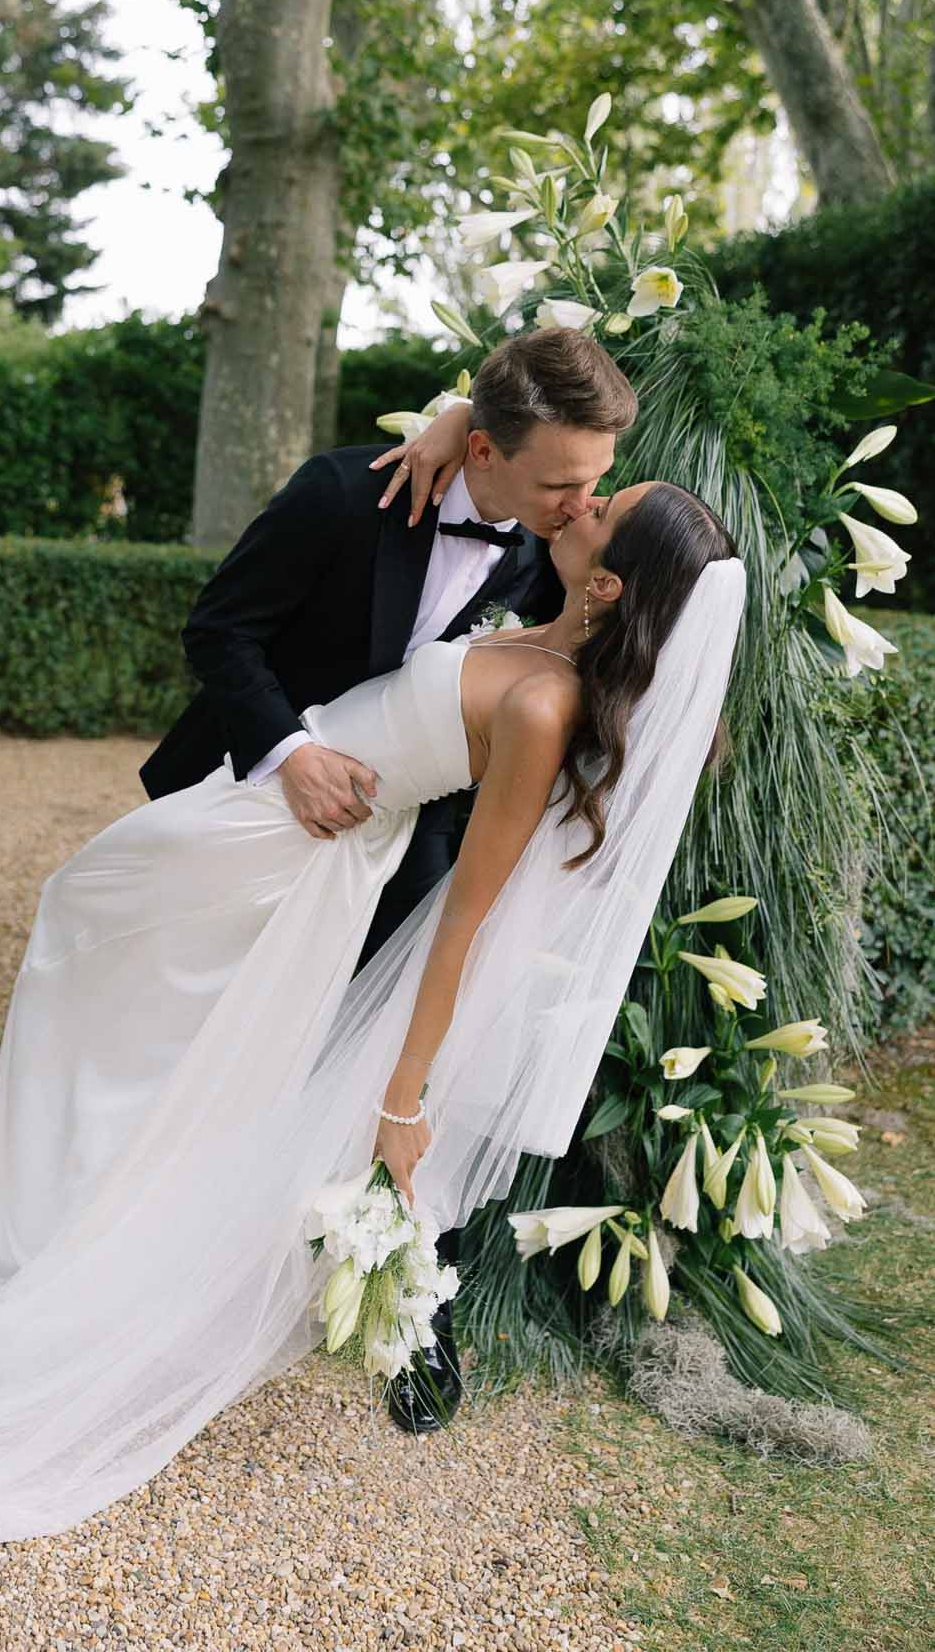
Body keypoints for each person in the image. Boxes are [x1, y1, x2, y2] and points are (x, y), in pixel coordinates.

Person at [0, 456, 745, 1652]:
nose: (577, 506)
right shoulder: (532, 620)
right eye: (587, 487)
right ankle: (57, 1215)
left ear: (607, 591)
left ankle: (65, 1244)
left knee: (96, 923)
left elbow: (470, 917)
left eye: (601, 510)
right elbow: (496, 444)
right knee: (98, 936)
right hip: (280, 801)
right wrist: (453, 416)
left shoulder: (544, 708)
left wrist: (403, 1098)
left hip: (310, 851)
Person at [141, 326, 638, 1430]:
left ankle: (412, 1297)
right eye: (560, 482)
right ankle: (142, 1205)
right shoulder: (341, 495)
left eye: (592, 484)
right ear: (485, 454)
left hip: (405, 818)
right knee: (165, 995)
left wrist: (468, 424)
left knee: (402, 1038)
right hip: (260, 791)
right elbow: (219, 629)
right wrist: (289, 754)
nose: (577, 503)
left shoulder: (551, 542)